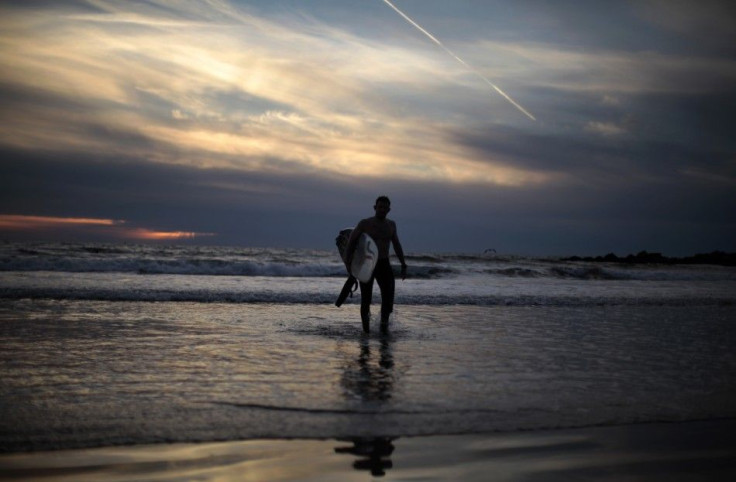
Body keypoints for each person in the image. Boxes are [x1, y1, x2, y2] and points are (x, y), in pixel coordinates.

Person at [345, 196, 407, 333]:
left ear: (389, 210)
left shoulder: (391, 225)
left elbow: (396, 244)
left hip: (384, 264)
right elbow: (351, 242)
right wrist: (348, 263)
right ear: (375, 208)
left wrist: (403, 264)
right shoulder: (365, 223)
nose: (382, 210)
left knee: (388, 299)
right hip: (366, 265)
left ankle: (383, 329)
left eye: (385, 208)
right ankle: (366, 331)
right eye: (380, 207)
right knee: (366, 299)